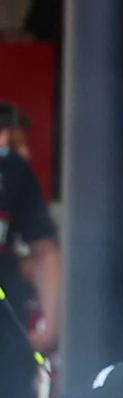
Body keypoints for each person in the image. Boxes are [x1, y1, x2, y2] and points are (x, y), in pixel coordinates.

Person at [0, 103, 60, 373]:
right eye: (16, 143)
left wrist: (50, 321)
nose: (26, 153)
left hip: (8, 332)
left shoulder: (14, 171)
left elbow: (45, 251)